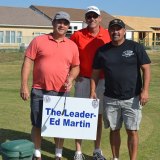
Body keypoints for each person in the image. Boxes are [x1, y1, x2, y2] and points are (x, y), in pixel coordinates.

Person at [20, 11, 80, 160]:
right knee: (37, 124)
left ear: (68, 27)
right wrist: (24, 85)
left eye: (65, 23)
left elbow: (76, 67)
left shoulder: (72, 45)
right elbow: (27, 62)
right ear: (53, 23)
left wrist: (71, 78)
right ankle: (37, 153)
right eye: (59, 22)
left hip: (61, 93)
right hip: (39, 90)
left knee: (59, 126)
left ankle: (58, 155)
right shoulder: (39, 40)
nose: (62, 25)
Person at [90, 18, 151, 160]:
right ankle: (115, 157)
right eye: (112, 29)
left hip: (132, 98)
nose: (115, 32)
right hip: (111, 98)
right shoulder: (102, 51)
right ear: (109, 31)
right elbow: (95, 74)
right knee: (114, 130)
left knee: (132, 131)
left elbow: (146, 69)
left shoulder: (135, 47)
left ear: (124, 31)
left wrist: (145, 90)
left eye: (118, 29)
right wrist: (92, 91)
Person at [70, 6, 110, 160]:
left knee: (98, 116)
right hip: (83, 80)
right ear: (85, 19)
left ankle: (97, 150)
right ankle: (78, 151)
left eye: (95, 16)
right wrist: (72, 75)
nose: (92, 19)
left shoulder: (107, 34)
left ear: (100, 18)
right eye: (89, 16)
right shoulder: (77, 35)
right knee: (80, 116)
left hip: (102, 81)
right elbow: (70, 57)